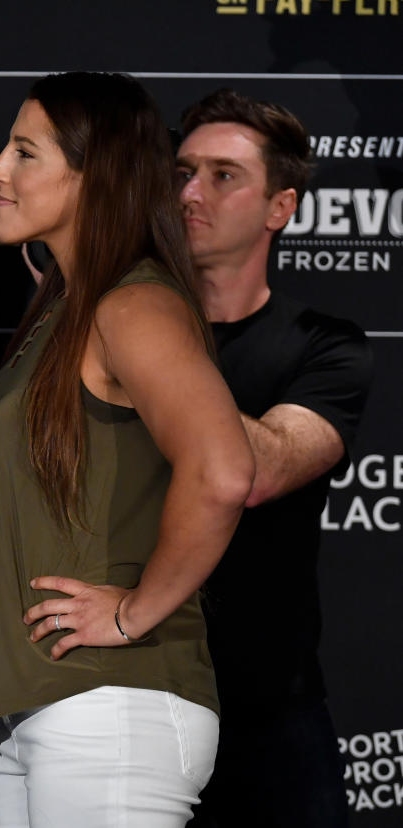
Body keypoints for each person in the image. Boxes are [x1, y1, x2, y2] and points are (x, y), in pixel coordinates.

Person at [0, 71, 256, 827]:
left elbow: (222, 470)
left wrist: (132, 614)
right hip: (41, 709)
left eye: (26, 153)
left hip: (111, 708)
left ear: (97, 175)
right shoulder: (66, 307)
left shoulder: (134, 303)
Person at [177, 89, 372, 828]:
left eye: (224, 175)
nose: (191, 192)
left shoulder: (327, 345)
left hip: (271, 710)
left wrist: (147, 341)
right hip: (131, 700)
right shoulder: (110, 325)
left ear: (280, 208)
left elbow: (256, 473)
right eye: (182, 171)